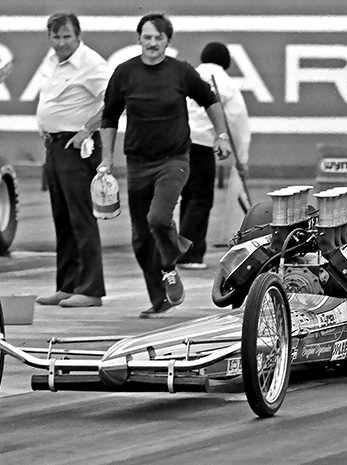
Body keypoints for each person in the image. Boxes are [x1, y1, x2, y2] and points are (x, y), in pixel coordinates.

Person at [99, 13, 233, 318]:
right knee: (140, 239)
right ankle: (160, 299)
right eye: (147, 37)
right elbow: (109, 116)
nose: (152, 43)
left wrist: (221, 135)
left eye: (158, 38)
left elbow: (210, 100)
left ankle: (169, 266)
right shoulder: (124, 73)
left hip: (174, 160)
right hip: (137, 163)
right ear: (139, 39)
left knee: (159, 219)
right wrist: (106, 159)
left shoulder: (180, 71)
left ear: (168, 41)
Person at [34, 12, 111, 308]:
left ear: (78, 36)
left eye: (67, 36)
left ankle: (91, 289)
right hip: (55, 145)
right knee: (62, 219)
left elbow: (115, 102)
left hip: (78, 148)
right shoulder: (51, 61)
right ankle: (67, 285)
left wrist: (86, 129)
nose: (61, 43)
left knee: (81, 218)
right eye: (56, 37)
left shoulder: (91, 64)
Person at [178, 42, 251, 270]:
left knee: (187, 196)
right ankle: (189, 254)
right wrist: (242, 159)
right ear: (226, 63)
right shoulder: (226, 84)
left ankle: (180, 249)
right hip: (200, 145)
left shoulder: (189, 75)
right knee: (200, 198)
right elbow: (237, 122)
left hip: (177, 142)